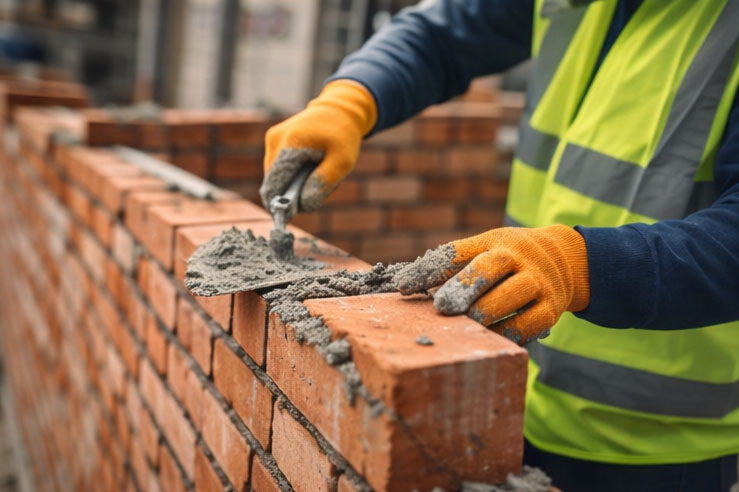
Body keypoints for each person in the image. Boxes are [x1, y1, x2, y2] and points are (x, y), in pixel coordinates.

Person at [259, 0, 739, 490]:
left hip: (656, 447)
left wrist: (579, 265)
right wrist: (350, 99)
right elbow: (442, 32)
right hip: (514, 392)